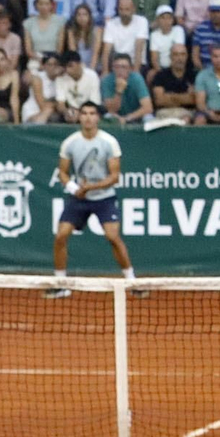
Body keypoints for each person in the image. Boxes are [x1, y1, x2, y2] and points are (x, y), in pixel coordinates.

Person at [46, 103, 136, 298]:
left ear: (98, 118)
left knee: (113, 237)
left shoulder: (108, 142)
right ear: (79, 117)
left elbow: (114, 177)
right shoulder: (70, 143)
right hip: (79, 198)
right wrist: (74, 188)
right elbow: (62, 172)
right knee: (61, 236)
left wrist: (90, 188)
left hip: (104, 197)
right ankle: (60, 283)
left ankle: (131, 281)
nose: (88, 117)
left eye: (92, 114)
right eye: (84, 113)